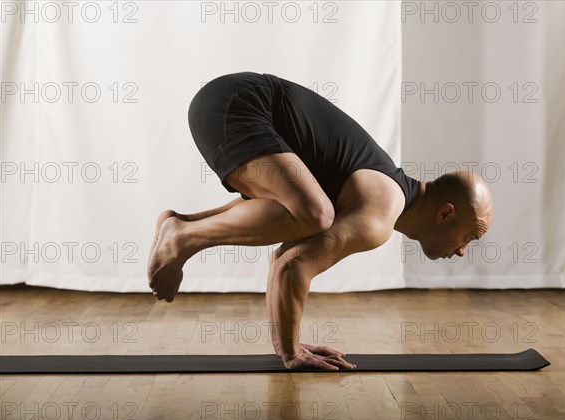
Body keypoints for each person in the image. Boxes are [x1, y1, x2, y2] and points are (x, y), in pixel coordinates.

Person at [147, 72, 494, 371]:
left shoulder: (383, 192)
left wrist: (288, 347)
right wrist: (292, 353)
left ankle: (182, 225)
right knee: (315, 213)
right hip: (237, 105)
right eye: (469, 237)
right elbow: (292, 267)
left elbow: (285, 258)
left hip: (226, 101)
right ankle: (182, 236)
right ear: (445, 213)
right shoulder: (380, 215)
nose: (462, 251)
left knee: (307, 215)